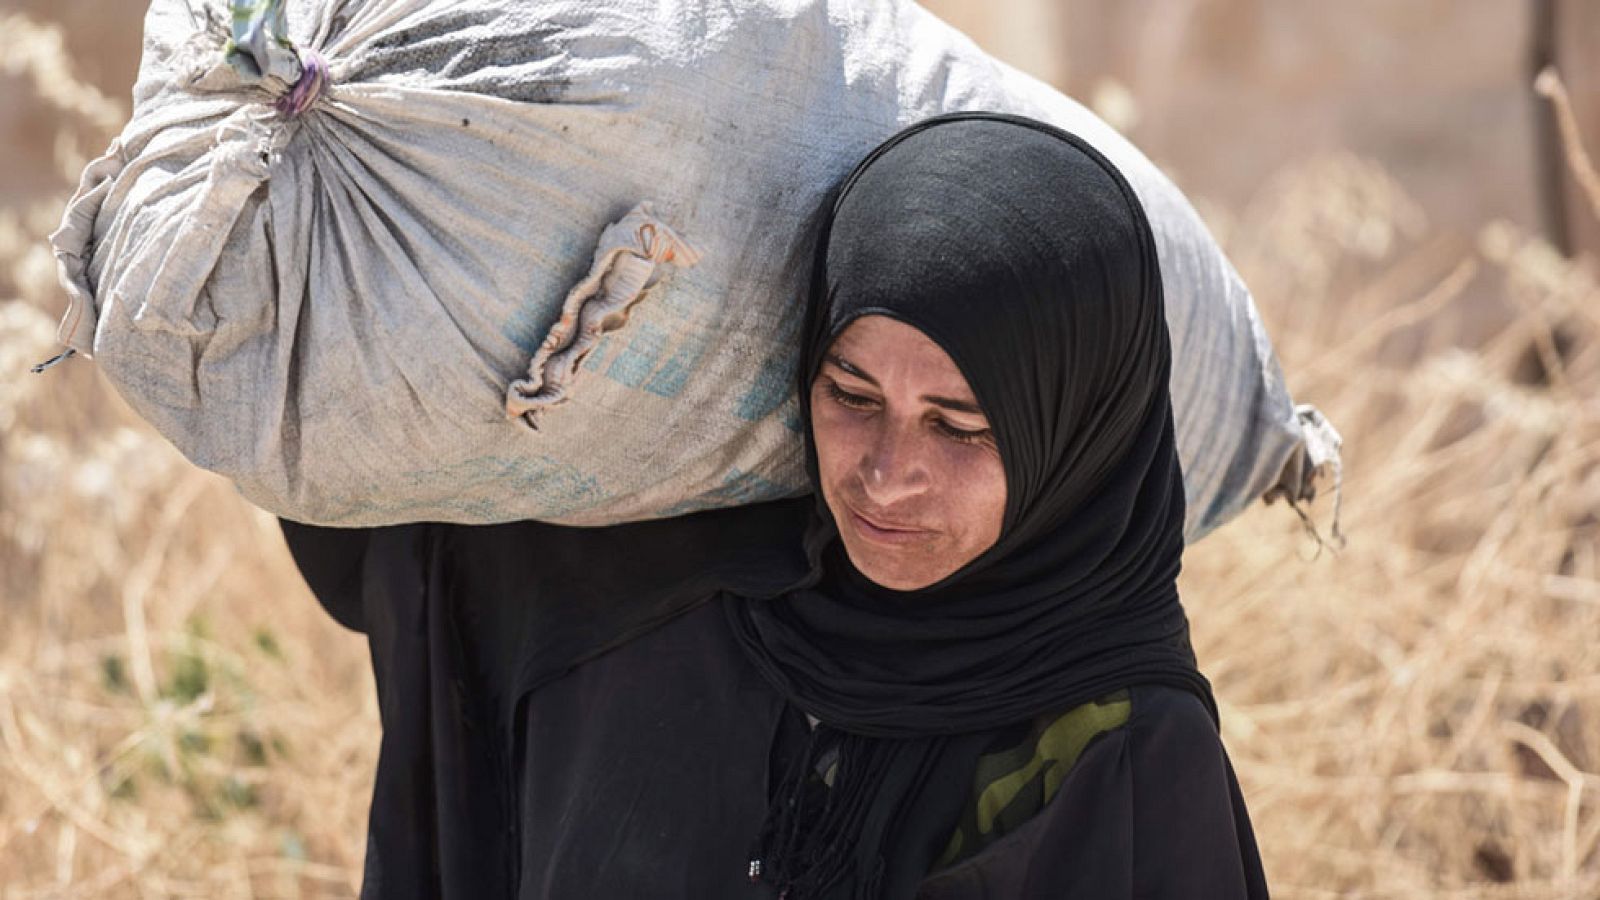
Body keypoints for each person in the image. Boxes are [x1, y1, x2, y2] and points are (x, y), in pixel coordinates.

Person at [282, 111, 1269, 899]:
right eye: (851, 396)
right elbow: (382, 524)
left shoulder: (1121, 758)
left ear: (1079, 437)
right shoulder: (658, 600)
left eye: (960, 427)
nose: (885, 475)